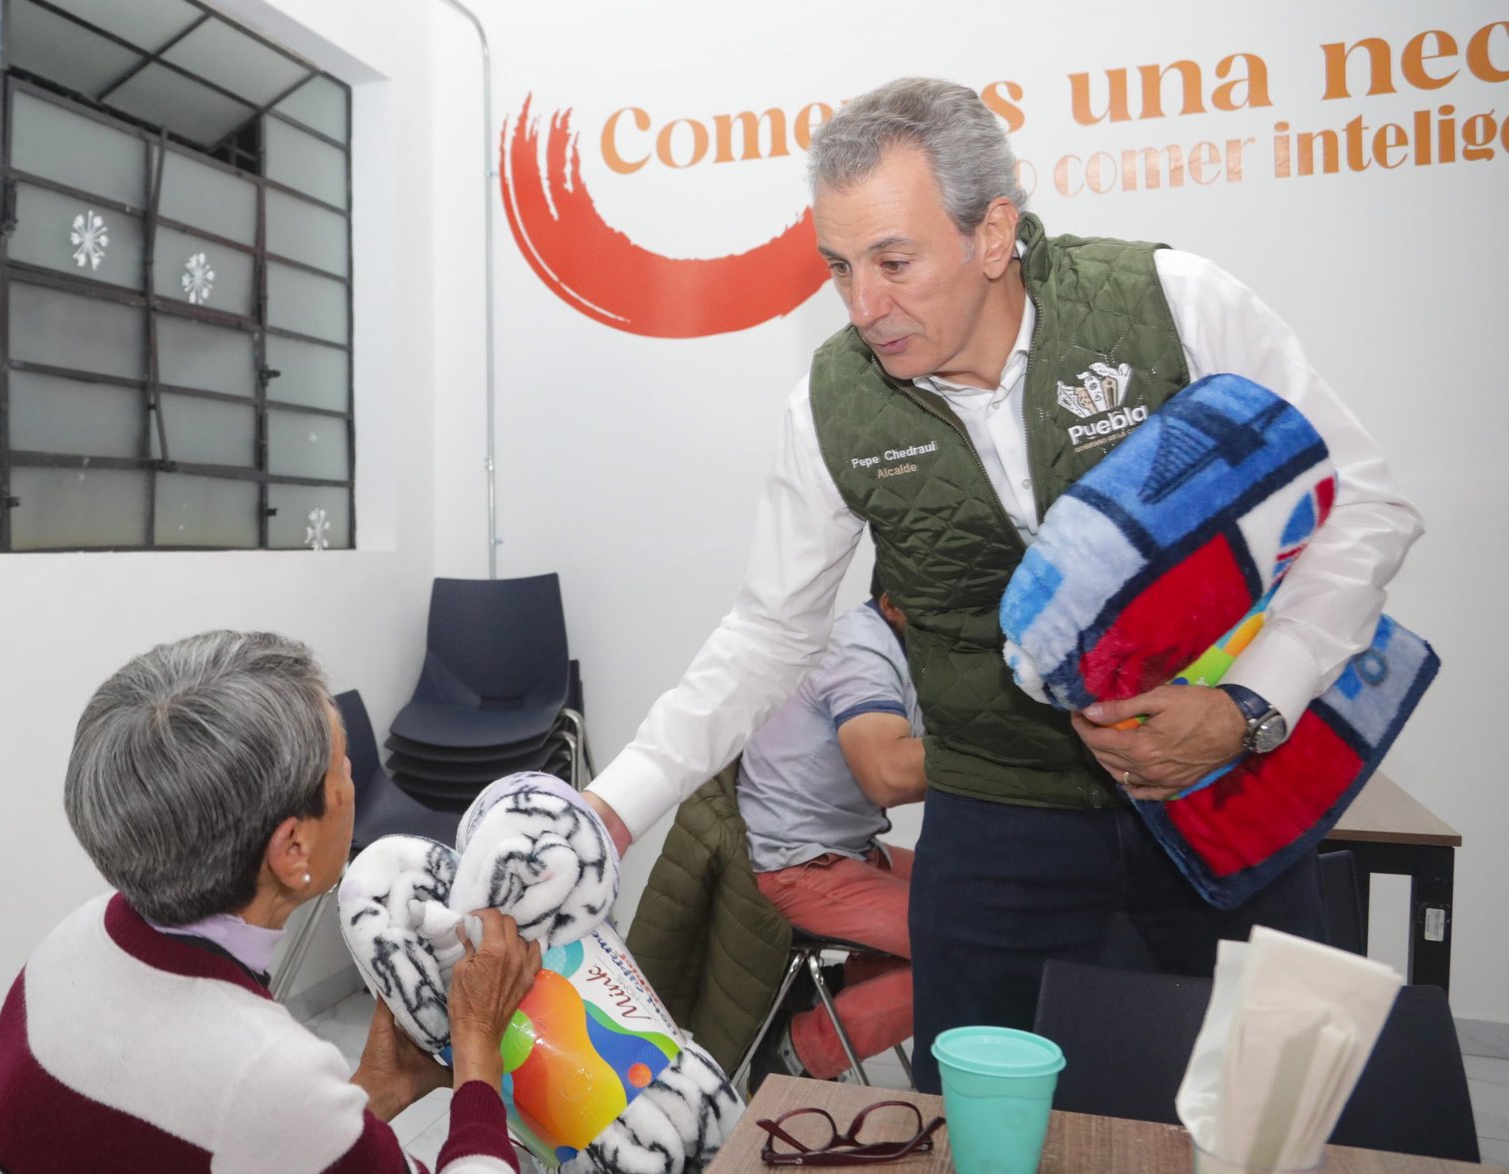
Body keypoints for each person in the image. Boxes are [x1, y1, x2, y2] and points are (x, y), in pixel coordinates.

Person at [585, 77, 1423, 1093]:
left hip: (1223, 787)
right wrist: (607, 813)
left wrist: (1251, 704)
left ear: (993, 234)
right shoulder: (833, 403)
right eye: (839, 268)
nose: (863, 307)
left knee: (1259, 1116)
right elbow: (769, 633)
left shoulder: (1170, 303)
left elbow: (1363, 502)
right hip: (994, 824)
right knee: (982, 1155)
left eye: (894, 262)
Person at [0, 631, 542, 1174]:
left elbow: (224, 1149)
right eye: (345, 764)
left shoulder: (77, 937)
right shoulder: (258, 1070)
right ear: (292, 849)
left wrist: (378, 1090)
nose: (354, 782)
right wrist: (477, 1049)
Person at [739, 585, 922, 1081]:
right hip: (795, 865)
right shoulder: (858, 652)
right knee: (968, 942)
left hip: (844, 851)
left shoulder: (913, 647)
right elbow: (886, 773)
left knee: (991, 904)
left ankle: (837, 995)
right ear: (891, 602)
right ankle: (796, 1052)